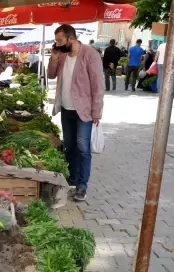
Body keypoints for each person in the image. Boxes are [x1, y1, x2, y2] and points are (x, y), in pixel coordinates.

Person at [48, 24, 104, 202]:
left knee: (83, 148)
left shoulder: (90, 55)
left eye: (59, 40)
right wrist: (54, 57)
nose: (57, 43)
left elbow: (98, 85)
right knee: (69, 146)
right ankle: (72, 177)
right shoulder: (62, 55)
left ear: (70, 38)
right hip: (66, 108)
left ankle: (82, 186)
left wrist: (97, 111)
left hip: (84, 111)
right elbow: (50, 75)